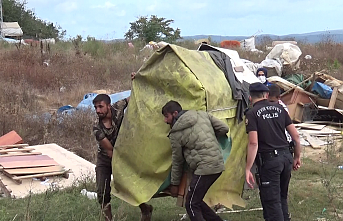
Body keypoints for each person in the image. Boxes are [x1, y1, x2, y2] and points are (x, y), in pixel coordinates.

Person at [93, 73, 153, 221]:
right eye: (95, 107)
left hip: (121, 154)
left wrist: (137, 80)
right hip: (106, 158)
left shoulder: (118, 107)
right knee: (102, 192)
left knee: (129, 187)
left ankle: (146, 209)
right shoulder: (97, 128)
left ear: (108, 105)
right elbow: (109, 151)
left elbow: (134, 96)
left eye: (100, 107)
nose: (98, 110)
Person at [162, 100, 229, 221]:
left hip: (204, 168)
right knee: (196, 200)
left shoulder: (175, 133)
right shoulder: (201, 114)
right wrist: (211, 138)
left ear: (175, 113)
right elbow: (224, 128)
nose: (165, 121)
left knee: (191, 204)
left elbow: (177, 161)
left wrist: (174, 184)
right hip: (218, 163)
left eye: (166, 117)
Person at [245, 82, 301, 221]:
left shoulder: (252, 113)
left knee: (271, 202)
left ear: (250, 97)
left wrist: (247, 168)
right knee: (282, 197)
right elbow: (296, 136)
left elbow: (253, 142)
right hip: (286, 157)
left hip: (270, 161)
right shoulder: (280, 108)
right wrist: (296, 157)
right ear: (267, 95)